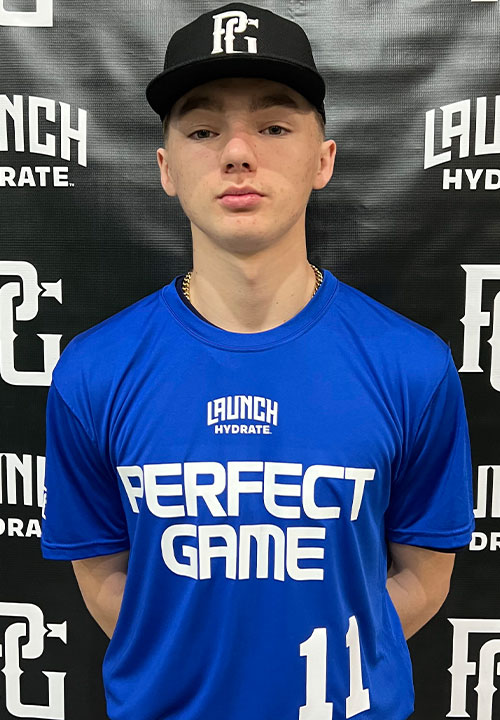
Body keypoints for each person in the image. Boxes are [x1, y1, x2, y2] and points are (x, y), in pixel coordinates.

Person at [40, 3, 475, 719]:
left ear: (323, 160)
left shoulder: (412, 365)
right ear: (166, 168)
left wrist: (304, 669)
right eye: (203, 130)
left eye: (273, 127)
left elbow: (424, 580)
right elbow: (103, 578)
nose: (238, 152)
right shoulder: (93, 371)